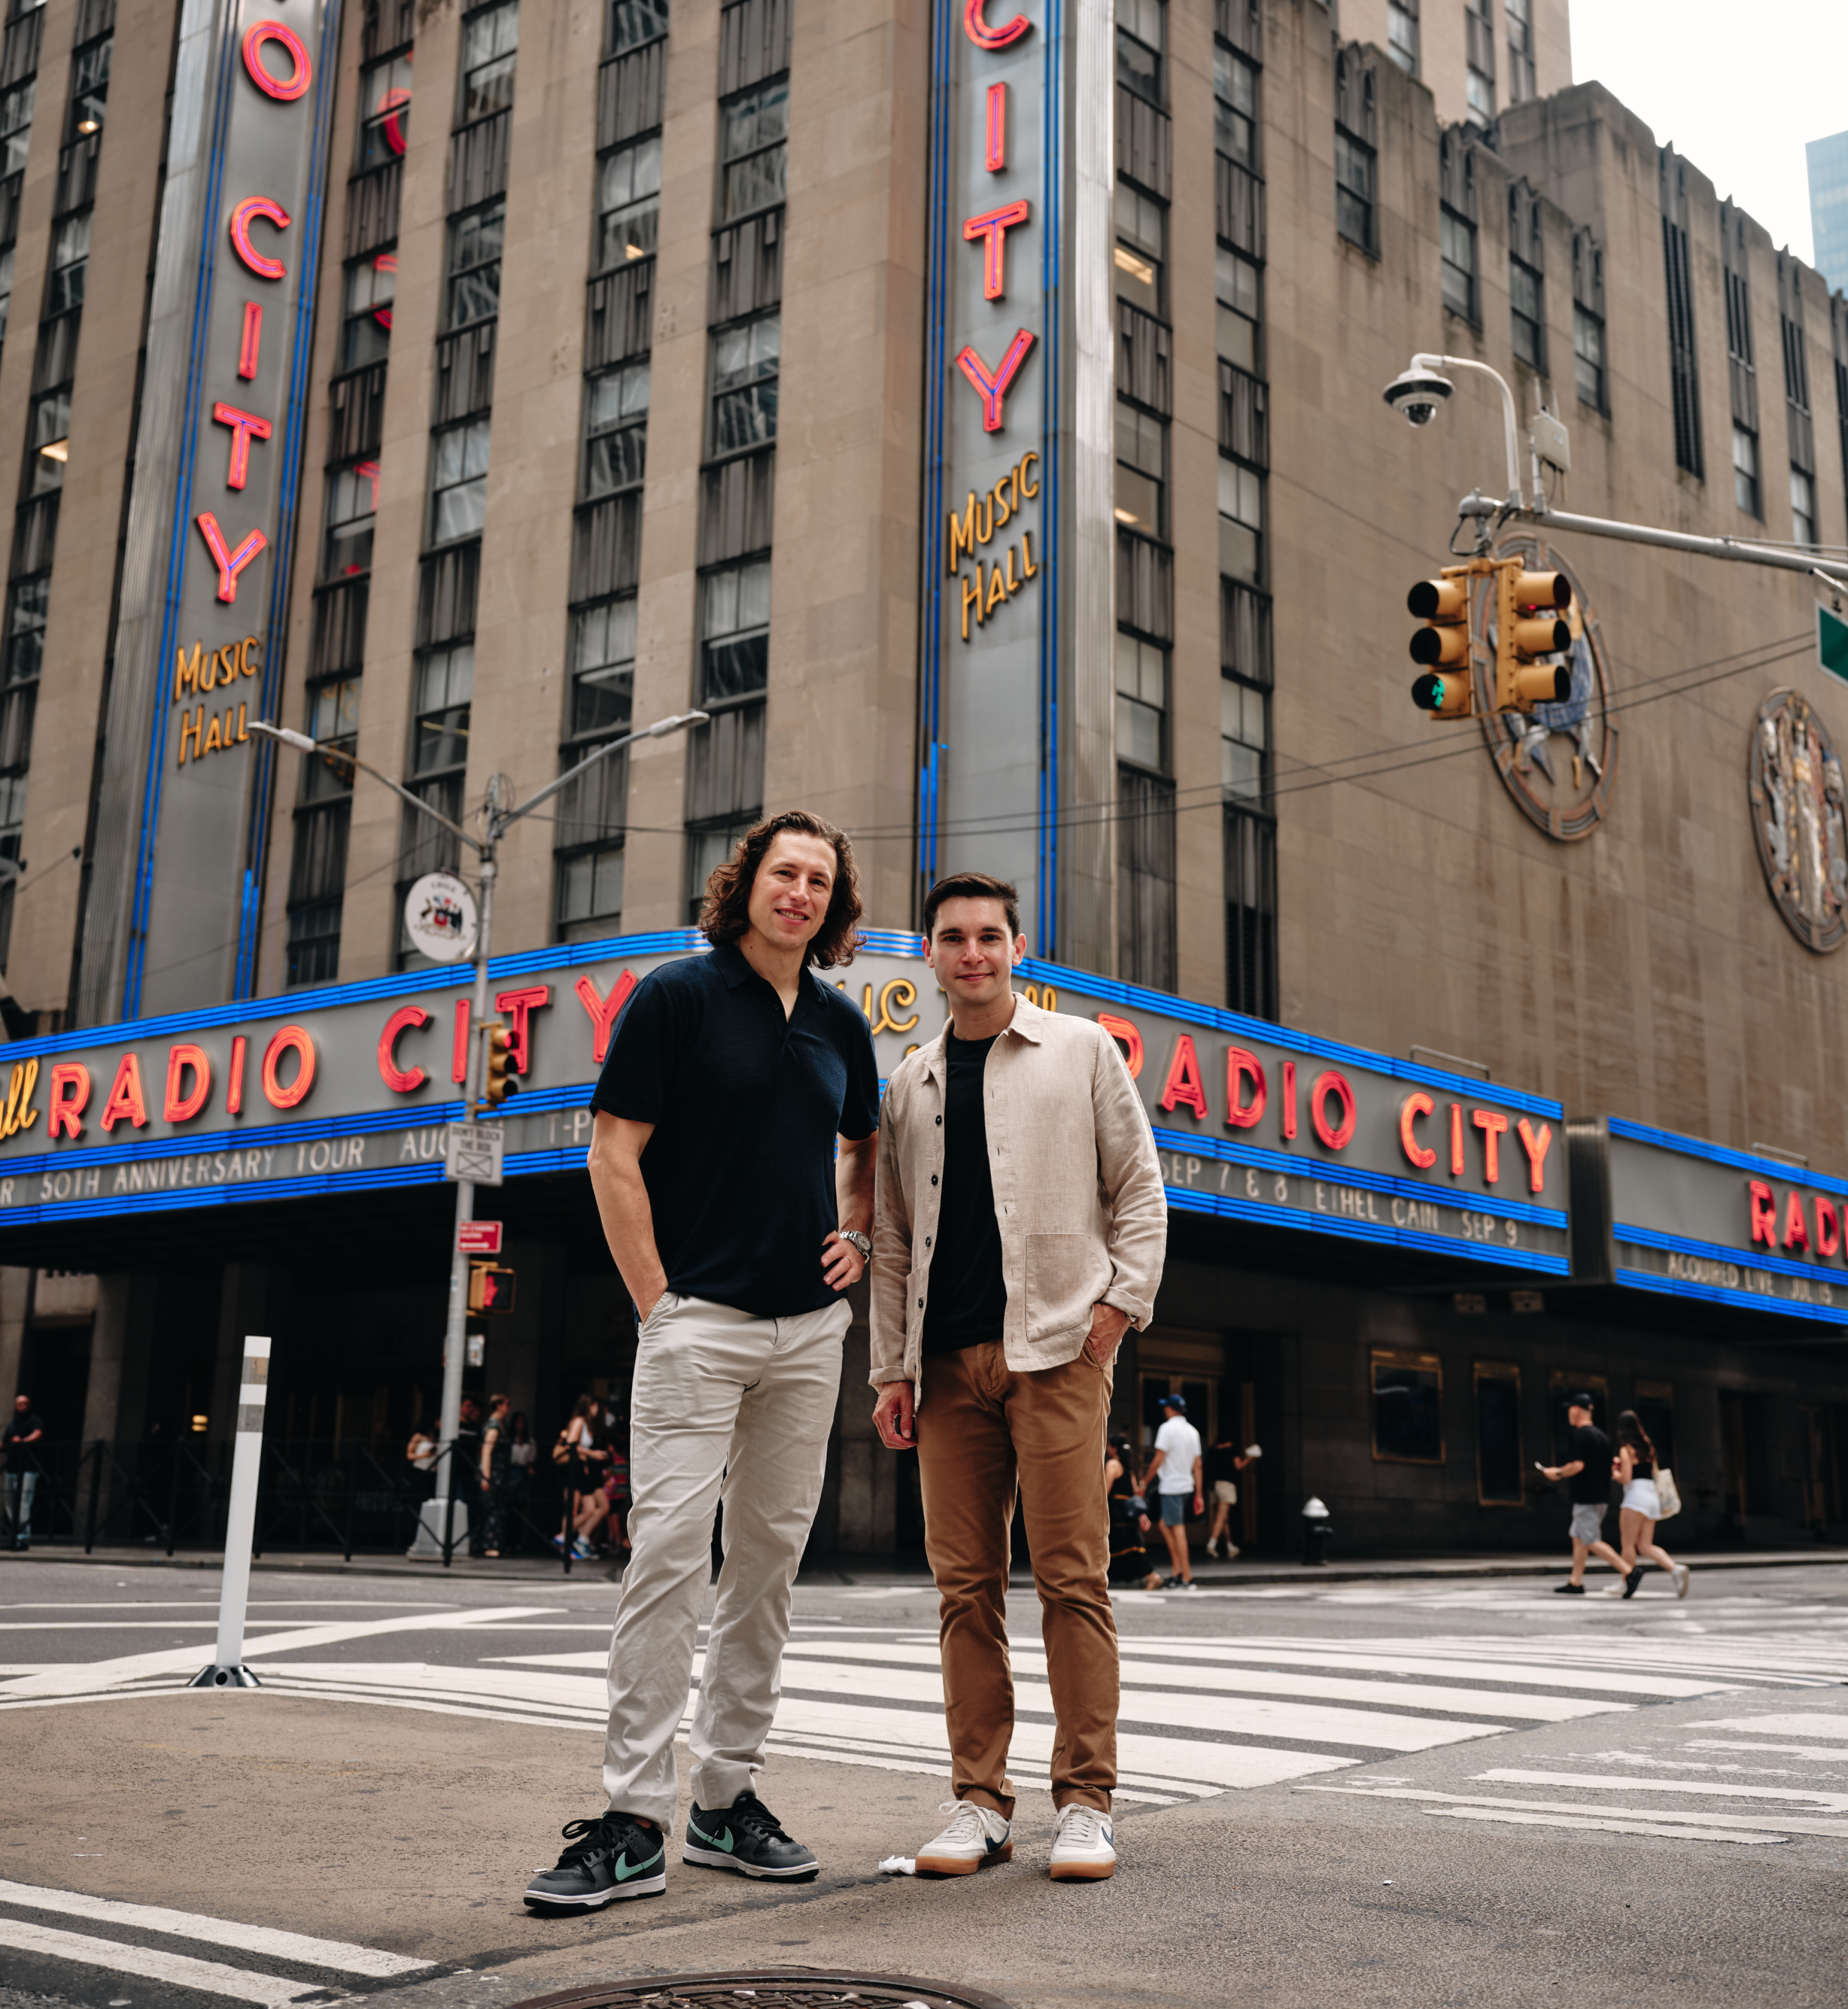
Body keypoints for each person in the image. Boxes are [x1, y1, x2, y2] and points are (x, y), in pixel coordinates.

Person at [523, 809, 878, 1914]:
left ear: (833, 901)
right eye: (786, 871)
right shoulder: (677, 995)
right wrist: (656, 1304)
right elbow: (612, 1153)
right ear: (749, 884)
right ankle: (632, 1817)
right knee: (669, 1555)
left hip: (809, 1330)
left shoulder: (838, 1021)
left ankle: (726, 1799)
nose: (802, 892)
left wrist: (857, 1231)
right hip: (698, 1324)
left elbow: (865, 1140)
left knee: (767, 1565)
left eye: (820, 879)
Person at [871, 871, 1167, 1885]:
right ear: (929, 953)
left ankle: (1085, 1801)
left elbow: (1138, 1189)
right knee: (964, 1591)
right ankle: (978, 1801)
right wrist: (890, 1369)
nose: (972, 954)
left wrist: (1113, 1316)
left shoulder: (1079, 1049)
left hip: (1057, 1354)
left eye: (989, 936)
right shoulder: (908, 1081)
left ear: (1018, 945)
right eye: (952, 937)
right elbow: (893, 1236)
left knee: (1073, 1579)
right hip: (946, 1368)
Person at [1539, 1393, 1626, 1594]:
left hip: (1586, 1497)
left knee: (1590, 1540)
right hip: (1601, 1497)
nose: (1569, 1413)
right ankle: (1576, 1582)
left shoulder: (1579, 1434)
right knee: (1578, 1537)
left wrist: (1558, 1473)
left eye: (1570, 1409)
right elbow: (1610, 1471)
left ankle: (1629, 1571)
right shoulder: (1601, 1437)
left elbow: (1578, 1465)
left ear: (1577, 1409)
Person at [1608, 1409, 1690, 1600]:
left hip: (1635, 1498)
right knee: (1645, 1545)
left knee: (1628, 1544)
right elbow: (1654, 1473)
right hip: (1652, 1497)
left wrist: (1615, 1473)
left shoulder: (1626, 1449)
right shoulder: (1648, 1447)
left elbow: (1627, 1478)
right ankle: (1675, 1569)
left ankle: (1625, 1581)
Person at [1143, 1395, 1205, 1590]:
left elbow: (1158, 1459)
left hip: (1172, 1486)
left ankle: (1186, 1577)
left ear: (1171, 1409)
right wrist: (1199, 1495)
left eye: (1166, 1408)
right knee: (1164, 1524)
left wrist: (1144, 1482)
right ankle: (1177, 1572)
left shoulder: (1167, 1429)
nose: (1165, 1411)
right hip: (1186, 1486)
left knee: (1177, 1529)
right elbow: (1198, 1465)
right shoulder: (1192, 1432)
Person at [1104, 1434, 1163, 1591]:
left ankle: (1152, 1576)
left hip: (1116, 1513)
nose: (1107, 1449)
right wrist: (1141, 1514)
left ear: (1114, 1448)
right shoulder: (1128, 1469)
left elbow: (1105, 1490)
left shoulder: (1113, 1465)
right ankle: (1149, 1576)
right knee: (1129, 1547)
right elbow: (1135, 1493)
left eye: (1109, 1445)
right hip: (1128, 1514)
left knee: (1121, 1548)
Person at [555, 1395, 608, 1560]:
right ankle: (564, 1540)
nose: (596, 1410)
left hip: (580, 1469)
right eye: (595, 1406)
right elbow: (571, 1444)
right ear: (590, 1406)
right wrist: (592, 1454)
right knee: (573, 1508)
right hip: (573, 1469)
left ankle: (564, 1538)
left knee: (589, 1509)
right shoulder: (578, 1422)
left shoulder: (585, 1424)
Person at [3, 1394, 45, 1551]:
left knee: (23, 1503)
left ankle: (24, 1538)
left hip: (28, 1468)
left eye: (26, 1404)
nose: (23, 1407)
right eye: (20, 1404)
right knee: (9, 1503)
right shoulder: (12, 1425)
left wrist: (23, 1441)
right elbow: (6, 1442)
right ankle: (14, 1535)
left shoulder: (34, 1420)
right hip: (12, 1468)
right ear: (15, 1406)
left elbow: (38, 1434)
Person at [1203, 1431, 1254, 1560]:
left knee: (1224, 1518)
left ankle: (1230, 1546)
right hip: (1226, 1485)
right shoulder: (1232, 1449)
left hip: (1213, 1486)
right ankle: (1212, 1544)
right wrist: (1251, 1457)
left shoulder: (1212, 1450)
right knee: (1221, 1517)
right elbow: (1239, 1466)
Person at [480, 1394, 512, 1559]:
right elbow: (486, 1450)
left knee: (499, 1509)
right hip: (494, 1473)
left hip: (500, 1473)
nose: (509, 1407)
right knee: (492, 1508)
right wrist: (486, 1476)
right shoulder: (494, 1426)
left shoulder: (501, 1425)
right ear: (499, 1406)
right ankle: (489, 1544)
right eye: (508, 1404)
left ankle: (496, 1543)